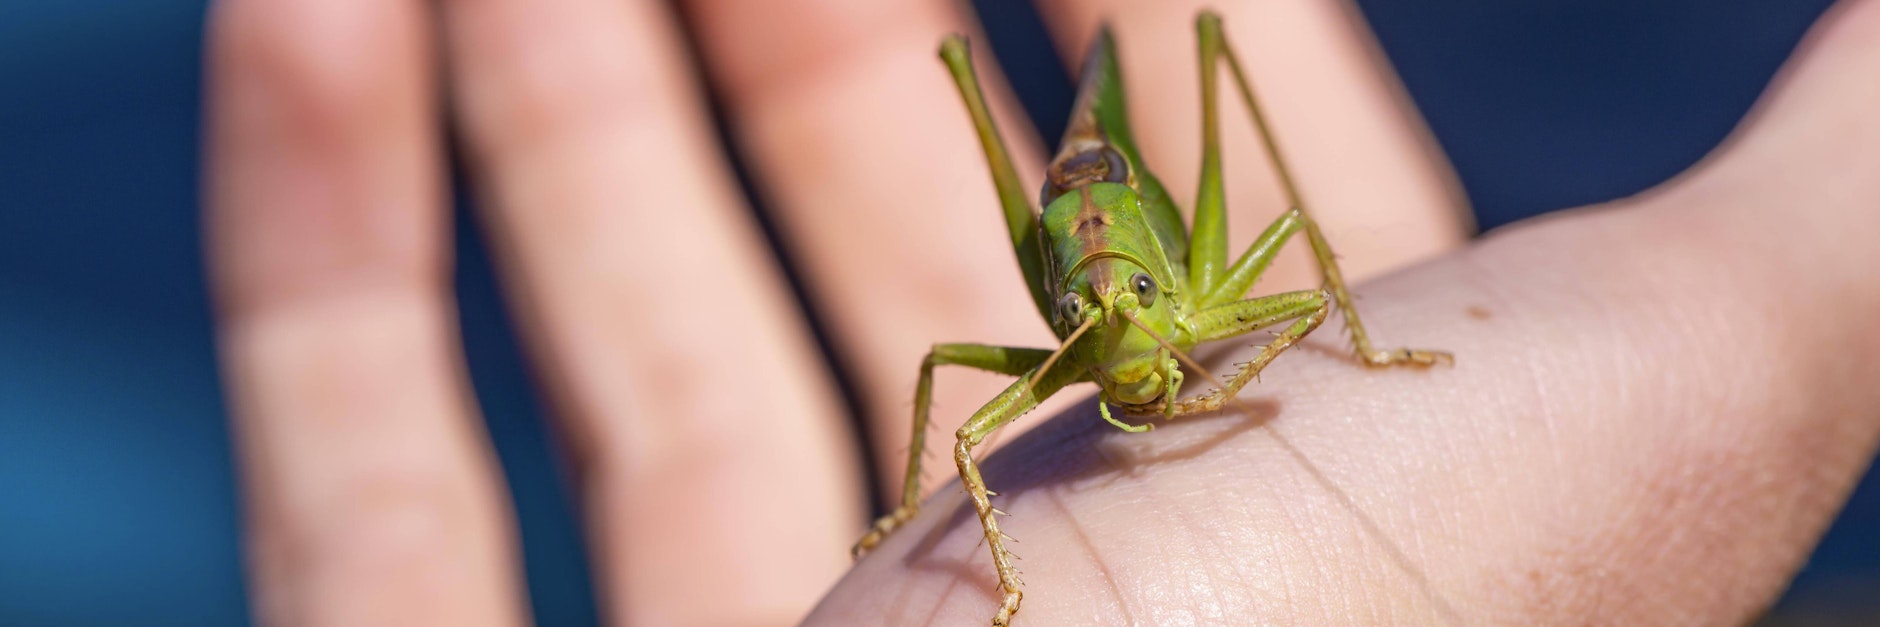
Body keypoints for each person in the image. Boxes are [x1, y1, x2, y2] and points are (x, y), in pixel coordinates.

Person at [203, 0, 1880, 624]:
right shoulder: (1063, 326)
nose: (1137, 333)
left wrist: (1370, 348)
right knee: (955, 258)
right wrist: (975, 559)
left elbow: (1285, 227)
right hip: (1079, 247)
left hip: (1165, 223)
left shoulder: (1206, 283)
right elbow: (955, 368)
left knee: (1225, 89)